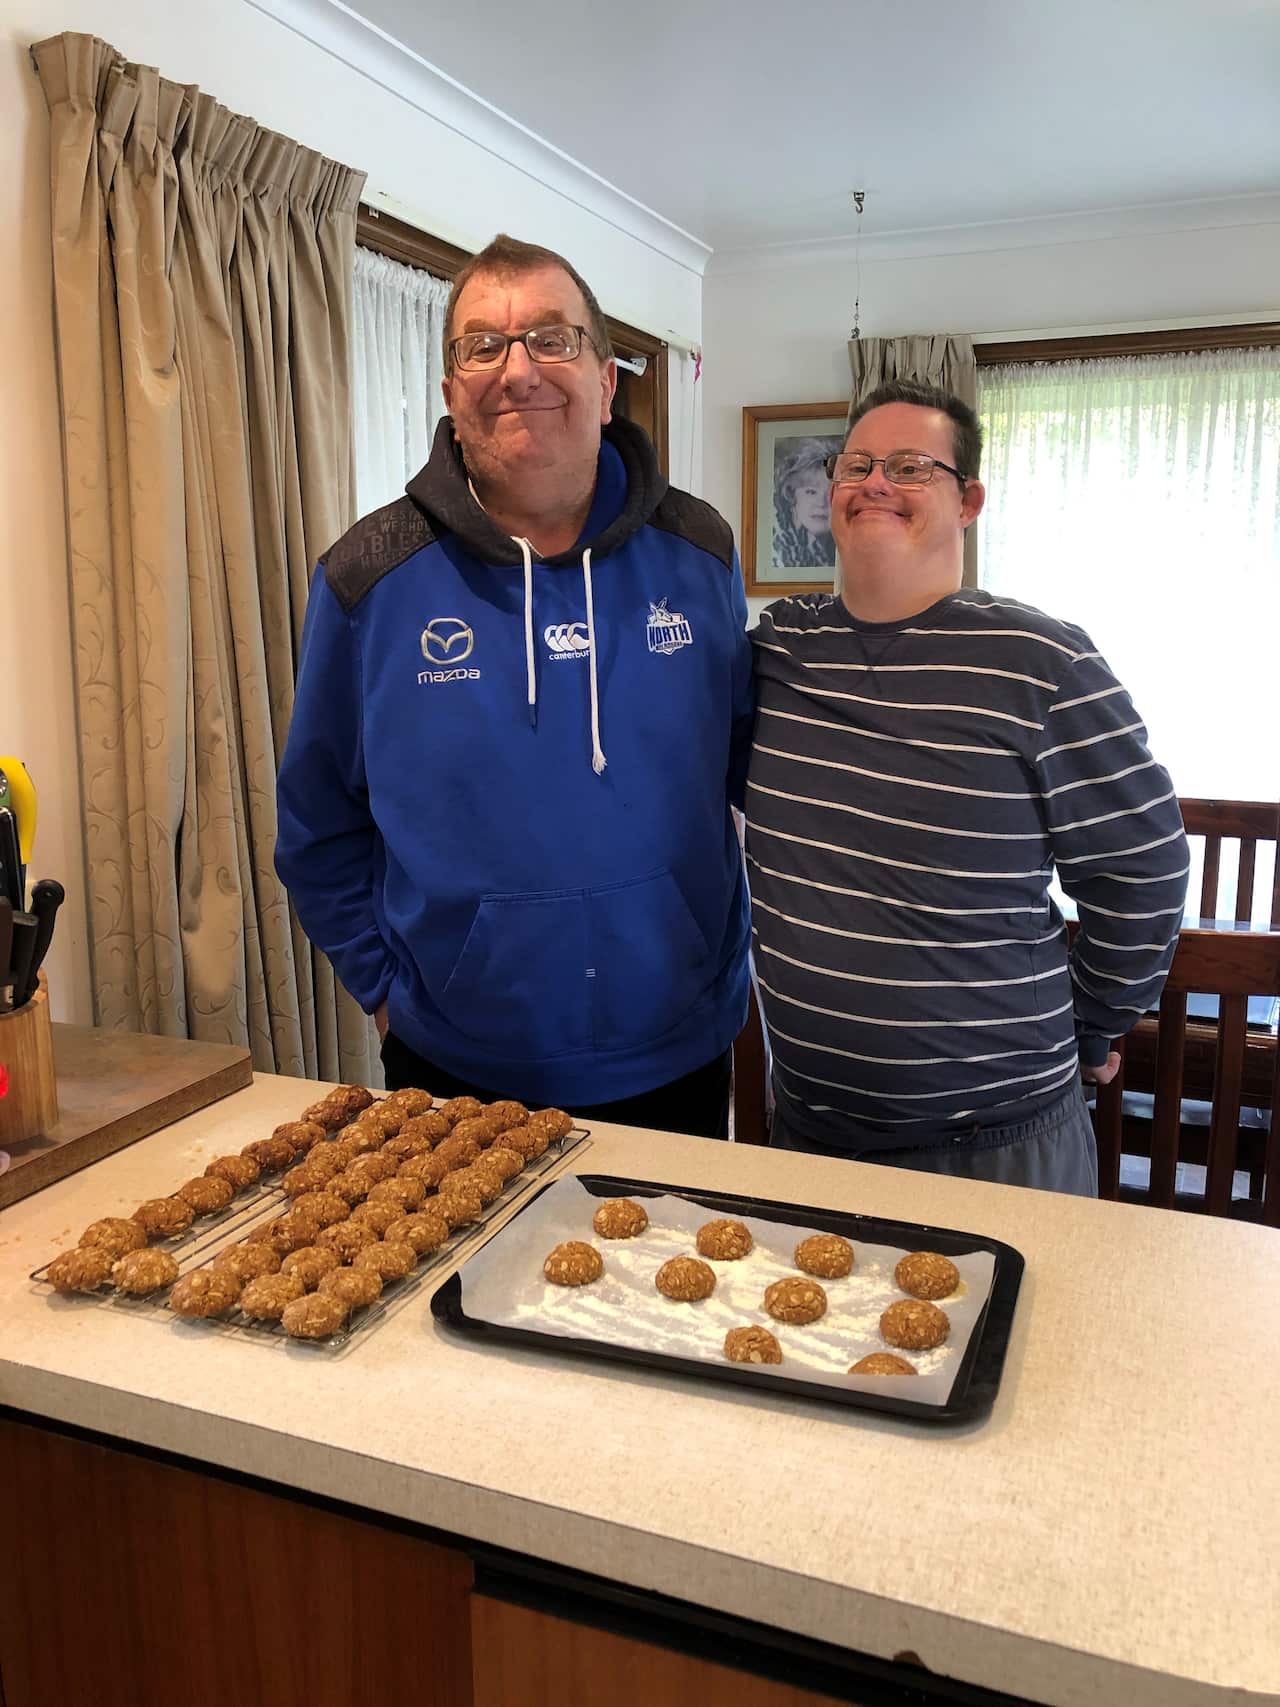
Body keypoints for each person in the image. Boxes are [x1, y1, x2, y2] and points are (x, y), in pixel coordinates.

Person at [276, 234, 753, 1135]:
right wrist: (383, 990)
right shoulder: (366, 576)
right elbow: (316, 825)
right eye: (482, 346)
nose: (518, 368)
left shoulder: (701, 553)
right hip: (455, 1064)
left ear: (608, 382)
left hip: (678, 1049)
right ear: (453, 394)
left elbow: (746, 768)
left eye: (551, 337)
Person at [747, 378, 1188, 1193]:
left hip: (999, 1149)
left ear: (968, 499)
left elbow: (1145, 871)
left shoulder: (1045, 663)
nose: (876, 482)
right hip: (808, 1139)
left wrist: (1089, 1028)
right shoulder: (775, 654)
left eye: (911, 467)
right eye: (857, 464)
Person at [772, 436, 839, 569]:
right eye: (811, 492)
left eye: (830, 493)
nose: (821, 503)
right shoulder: (780, 548)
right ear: (791, 495)